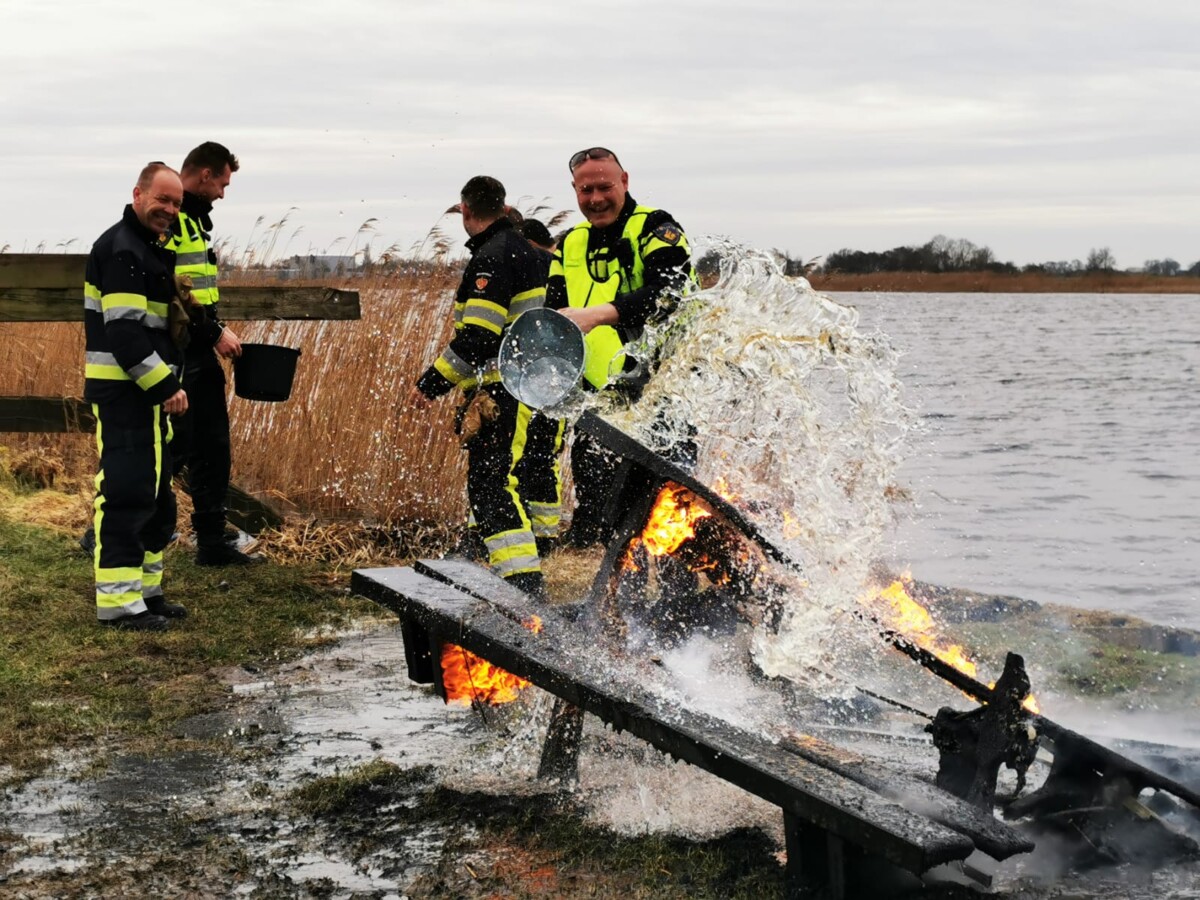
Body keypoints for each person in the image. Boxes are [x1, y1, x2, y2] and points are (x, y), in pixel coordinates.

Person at [546, 147, 696, 546]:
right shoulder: (569, 244)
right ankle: (598, 577)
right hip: (600, 399)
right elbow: (553, 316)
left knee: (668, 505)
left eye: (605, 187)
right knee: (597, 504)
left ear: (624, 181)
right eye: (585, 190)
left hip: (666, 393)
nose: (596, 199)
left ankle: (673, 593)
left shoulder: (657, 227)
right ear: (575, 191)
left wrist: (598, 314)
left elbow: (670, 294)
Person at [408, 176, 548, 596]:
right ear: (504, 209)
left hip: (501, 389)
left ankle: (523, 586)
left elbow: (480, 336)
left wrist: (430, 384)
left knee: (491, 486)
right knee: (498, 479)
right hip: (530, 387)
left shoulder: (491, 257)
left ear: (465, 210)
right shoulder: (532, 253)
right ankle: (487, 563)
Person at [84, 162, 189, 630]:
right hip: (126, 397)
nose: (168, 210)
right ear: (138, 194)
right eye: (162, 200)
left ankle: (146, 594)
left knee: (155, 496)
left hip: (144, 399)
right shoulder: (122, 249)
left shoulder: (149, 250)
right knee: (127, 495)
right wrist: (166, 386)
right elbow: (124, 335)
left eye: (176, 204)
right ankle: (121, 607)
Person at [169, 142, 260, 566]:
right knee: (170, 448)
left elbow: (197, 292)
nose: (223, 193)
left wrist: (216, 329)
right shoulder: (172, 219)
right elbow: (171, 291)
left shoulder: (194, 222)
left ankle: (210, 541)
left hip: (197, 348)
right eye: (222, 183)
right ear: (204, 175)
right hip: (179, 351)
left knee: (211, 447)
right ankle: (105, 529)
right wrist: (214, 333)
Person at [513, 217, 565, 554]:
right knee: (541, 455)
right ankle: (544, 536)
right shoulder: (557, 265)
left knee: (532, 456)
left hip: (544, 378)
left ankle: (542, 536)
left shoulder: (548, 266)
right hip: (555, 378)